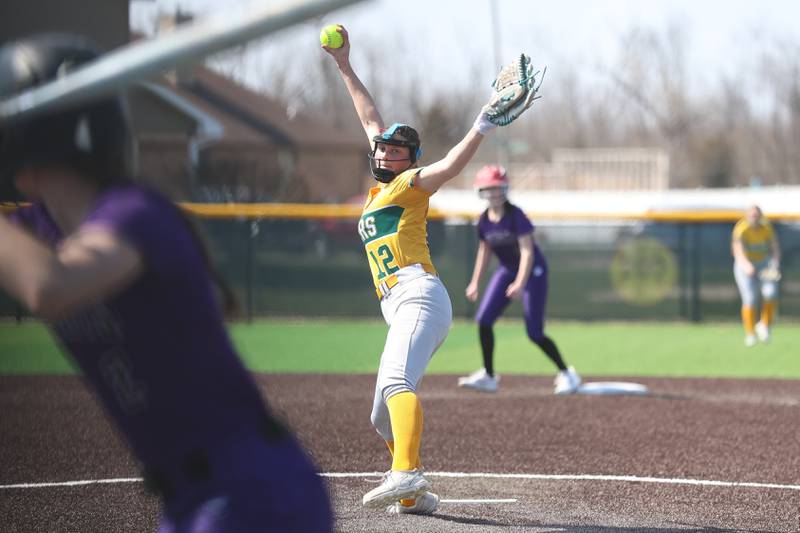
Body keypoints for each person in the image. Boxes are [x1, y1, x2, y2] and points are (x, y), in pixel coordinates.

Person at [0, 34, 332, 532]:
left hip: (252, 495)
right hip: (193, 504)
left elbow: (50, 287)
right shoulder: (39, 232)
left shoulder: (136, 214)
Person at [321, 26, 536, 515]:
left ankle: (406, 474)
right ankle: (416, 496)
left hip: (418, 294)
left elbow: (452, 166)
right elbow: (368, 113)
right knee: (381, 417)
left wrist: (482, 122)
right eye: (384, 148)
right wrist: (344, 66)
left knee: (398, 386)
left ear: (409, 160)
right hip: (399, 306)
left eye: (397, 150)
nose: (386, 152)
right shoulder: (380, 189)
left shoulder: (409, 184)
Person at [458, 165, 581, 395]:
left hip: (533, 272)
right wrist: (475, 281)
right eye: (488, 189)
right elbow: (484, 251)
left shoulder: (516, 215)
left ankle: (567, 373)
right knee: (484, 320)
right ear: (481, 191)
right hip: (507, 270)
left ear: (504, 189)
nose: (493, 193)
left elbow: (527, 252)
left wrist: (521, 283)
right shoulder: (484, 219)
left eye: (497, 188)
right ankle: (489, 376)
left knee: (534, 332)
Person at [731, 204, 781, 346]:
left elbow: (775, 248)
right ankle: (750, 334)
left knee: (771, 293)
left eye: (757, 215)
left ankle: (764, 325)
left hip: (764, 264)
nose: (755, 218)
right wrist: (746, 265)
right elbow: (737, 251)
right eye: (752, 215)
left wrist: (775, 263)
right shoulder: (741, 229)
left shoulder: (766, 228)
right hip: (745, 265)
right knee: (750, 298)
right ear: (747, 216)